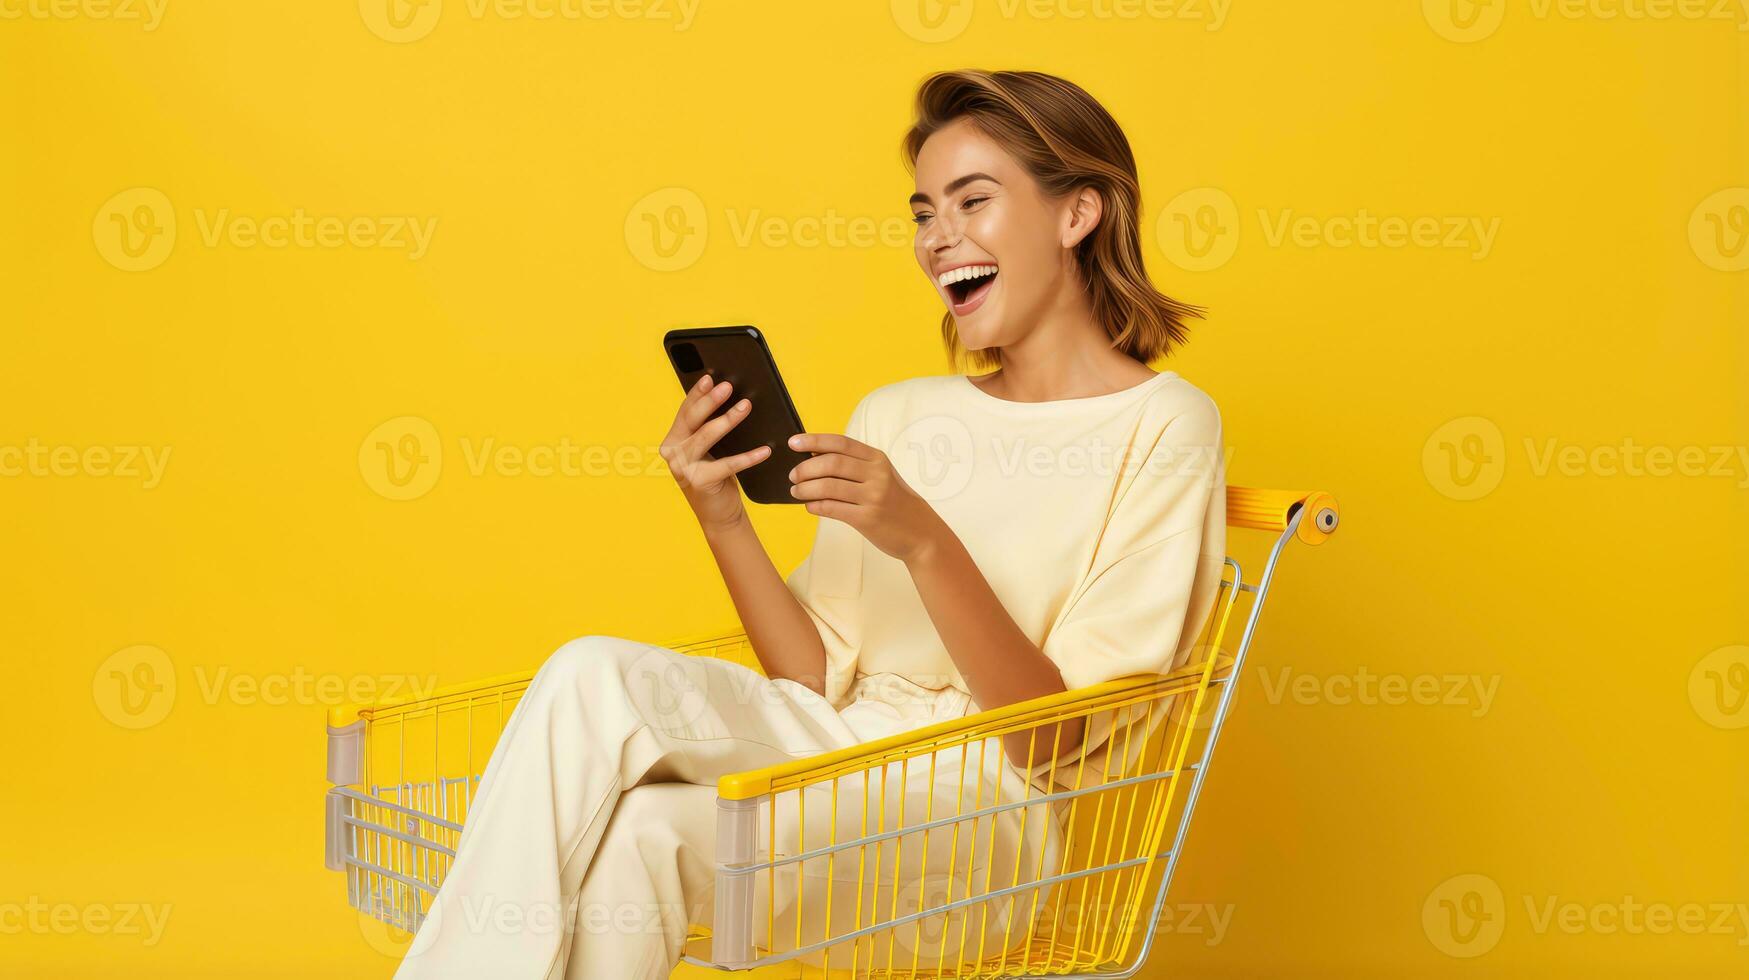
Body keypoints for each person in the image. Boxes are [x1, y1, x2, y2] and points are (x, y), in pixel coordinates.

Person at [393, 68, 1227, 980]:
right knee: (596, 698)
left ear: (1078, 214)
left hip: (979, 812)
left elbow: (1052, 737)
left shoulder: (1164, 424)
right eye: (922, 213)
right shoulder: (898, 411)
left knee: (642, 829)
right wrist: (721, 518)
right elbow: (810, 681)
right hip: (842, 743)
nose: (939, 238)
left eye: (972, 202)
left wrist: (923, 541)